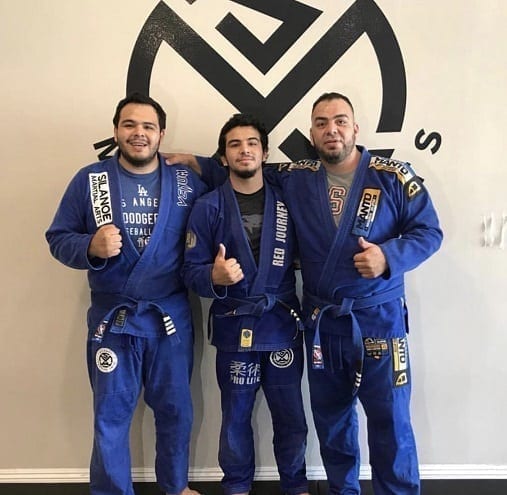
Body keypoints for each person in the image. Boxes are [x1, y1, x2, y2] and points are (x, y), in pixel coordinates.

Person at [166, 92, 443, 495]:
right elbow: (246, 171)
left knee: (392, 421)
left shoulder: (393, 175)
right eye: (321, 123)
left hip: (379, 319)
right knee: (332, 420)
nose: (332, 129)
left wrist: (389, 256)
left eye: (340, 121)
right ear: (312, 133)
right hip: (322, 322)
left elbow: (430, 232)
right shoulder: (297, 177)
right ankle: (342, 491)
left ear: (355, 128)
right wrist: (198, 163)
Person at [46, 92, 207, 495]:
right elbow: (58, 237)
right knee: (110, 416)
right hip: (112, 321)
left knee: (175, 411)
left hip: (169, 317)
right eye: (130, 125)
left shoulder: (186, 181)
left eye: (148, 126)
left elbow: (235, 183)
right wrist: (89, 248)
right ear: (116, 131)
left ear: (161, 134)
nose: (139, 134)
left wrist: (199, 161)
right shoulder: (90, 180)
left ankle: (175, 487)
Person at [181, 114, 310, 495]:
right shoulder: (207, 207)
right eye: (234, 144)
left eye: (252, 143)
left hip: (282, 324)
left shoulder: (288, 199)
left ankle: (296, 485)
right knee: (235, 418)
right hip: (235, 325)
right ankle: (236, 486)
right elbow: (190, 271)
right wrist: (213, 277)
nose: (244, 150)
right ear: (223, 157)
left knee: (291, 418)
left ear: (265, 152)